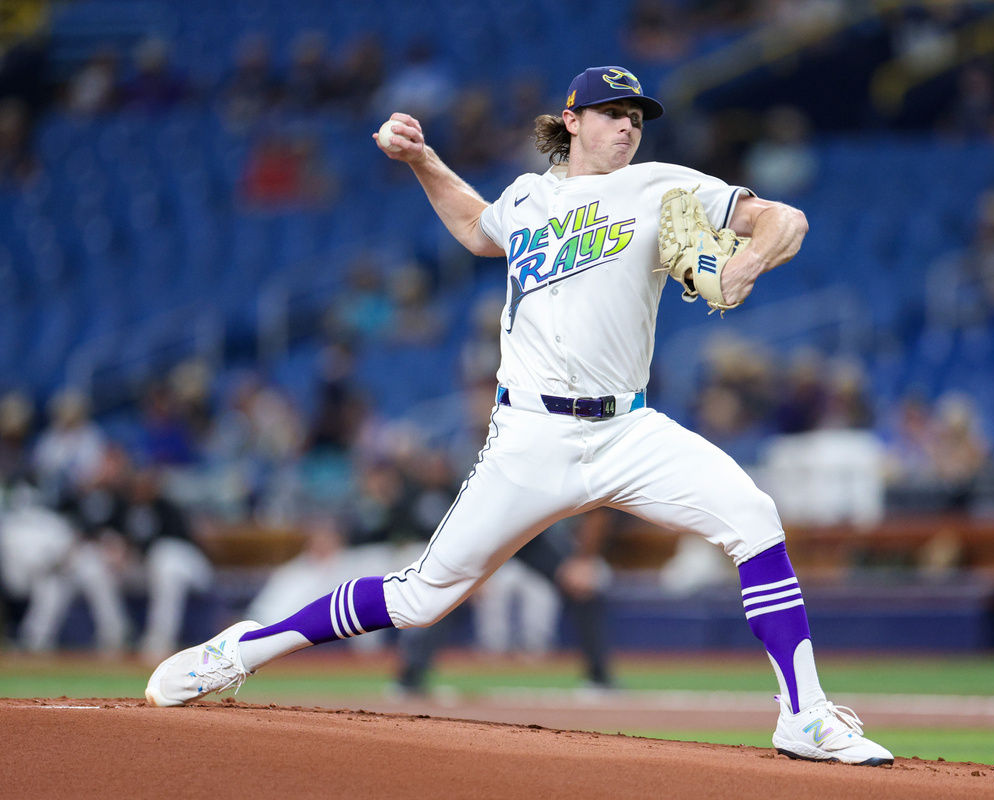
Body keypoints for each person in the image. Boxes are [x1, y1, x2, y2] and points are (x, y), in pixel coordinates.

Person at [145, 65, 892, 766]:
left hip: (627, 429)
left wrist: (742, 265)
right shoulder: (529, 199)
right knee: (418, 599)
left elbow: (783, 219)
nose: (627, 127)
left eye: (636, 116)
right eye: (611, 114)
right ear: (572, 121)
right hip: (530, 436)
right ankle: (236, 653)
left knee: (754, 515)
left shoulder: (664, 188)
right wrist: (422, 160)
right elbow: (477, 229)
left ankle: (803, 712)